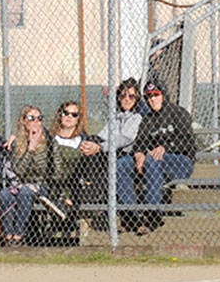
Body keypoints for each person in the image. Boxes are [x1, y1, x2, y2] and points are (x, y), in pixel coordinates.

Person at [129, 80, 196, 234]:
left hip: (181, 162)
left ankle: (153, 213)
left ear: (163, 95)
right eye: (148, 96)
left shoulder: (178, 113)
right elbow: (140, 142)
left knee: (152, 159)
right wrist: (138, 154)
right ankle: (139, 216)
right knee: (138, 163)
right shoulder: (148, 119)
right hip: (156, 164)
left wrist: (166, 147)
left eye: (156, 95)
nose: (152, 99)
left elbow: (188, 142)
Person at [79, 78, 143, 210]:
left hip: (127, 154)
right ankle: (89, 193)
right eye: (123, 95)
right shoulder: (117, 116)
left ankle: (92, 196)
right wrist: (91, 143)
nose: (127, 99)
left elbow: (125, 138)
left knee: (108, 163)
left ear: (137, 98)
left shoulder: (137, 117)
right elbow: (103, 134)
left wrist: (100, 147)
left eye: (131, 96)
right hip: (110, 151)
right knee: (92, 140)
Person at [0, 105, 50, 245]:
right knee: (5, 194)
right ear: (23, 121)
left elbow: (48, 171)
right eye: (31, 118)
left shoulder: (49, 141)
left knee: (25, 192)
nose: (36, 121)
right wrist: (29, 148)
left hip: (42, 185)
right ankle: (8, 235)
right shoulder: (16, 143)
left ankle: (19, 235)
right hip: (20, 184)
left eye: (39, 118)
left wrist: (32, 148)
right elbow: (19, 170)